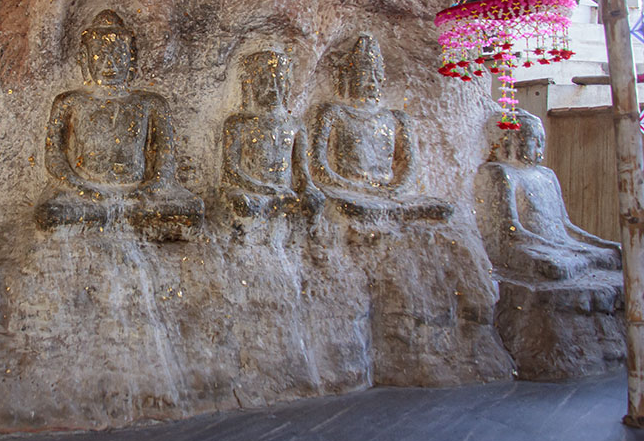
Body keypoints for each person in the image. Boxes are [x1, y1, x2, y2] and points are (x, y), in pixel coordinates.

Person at [35, 10, 203, 239]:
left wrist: (149, 190)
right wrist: (82, 189)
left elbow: (165, 159)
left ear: (131, 58)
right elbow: (54, 157)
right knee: (51, 214)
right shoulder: (69, 102)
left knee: (188, 211)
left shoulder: (151, 103)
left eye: (117, 54)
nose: (109, 63)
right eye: (100, 55)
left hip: (139, 193)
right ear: (84, 59)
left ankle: (124, 213)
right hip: (86, 193)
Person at [310, 34, 451, 220]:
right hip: (347, 190)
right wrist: (355, 187)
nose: (371, 83)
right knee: (354, 210)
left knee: (441, 210)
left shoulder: (396, 118)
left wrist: (394, 188)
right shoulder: (335, 113)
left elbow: (409, 167)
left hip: (387, 191)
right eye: (365, 76)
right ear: (349, 77)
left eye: (376, 76)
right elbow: (319, 165)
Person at [475, 109, 620, 280]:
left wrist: (599, 244)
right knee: (557, 267)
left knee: (616, 254)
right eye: (532, 140)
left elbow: (565, 225)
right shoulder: (501, 172)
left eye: (541, 141)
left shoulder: (547, 175)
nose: (538, 147)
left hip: (560, 244)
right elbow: (511, 230)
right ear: (511, 141)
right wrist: (563, 249)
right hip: (527, 244)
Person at [221, 49, 324, 221]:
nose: (272, 89)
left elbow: (301, 170)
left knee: (313, 203)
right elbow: (231, 171)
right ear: (251, 84)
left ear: (287, 85)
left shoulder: (295, 125)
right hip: (252, 191)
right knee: (243, 203)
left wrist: (308, 188)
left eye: (279, 82)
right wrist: (263, 189)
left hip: (285, 191)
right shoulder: (237, 123)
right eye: (264, 81)